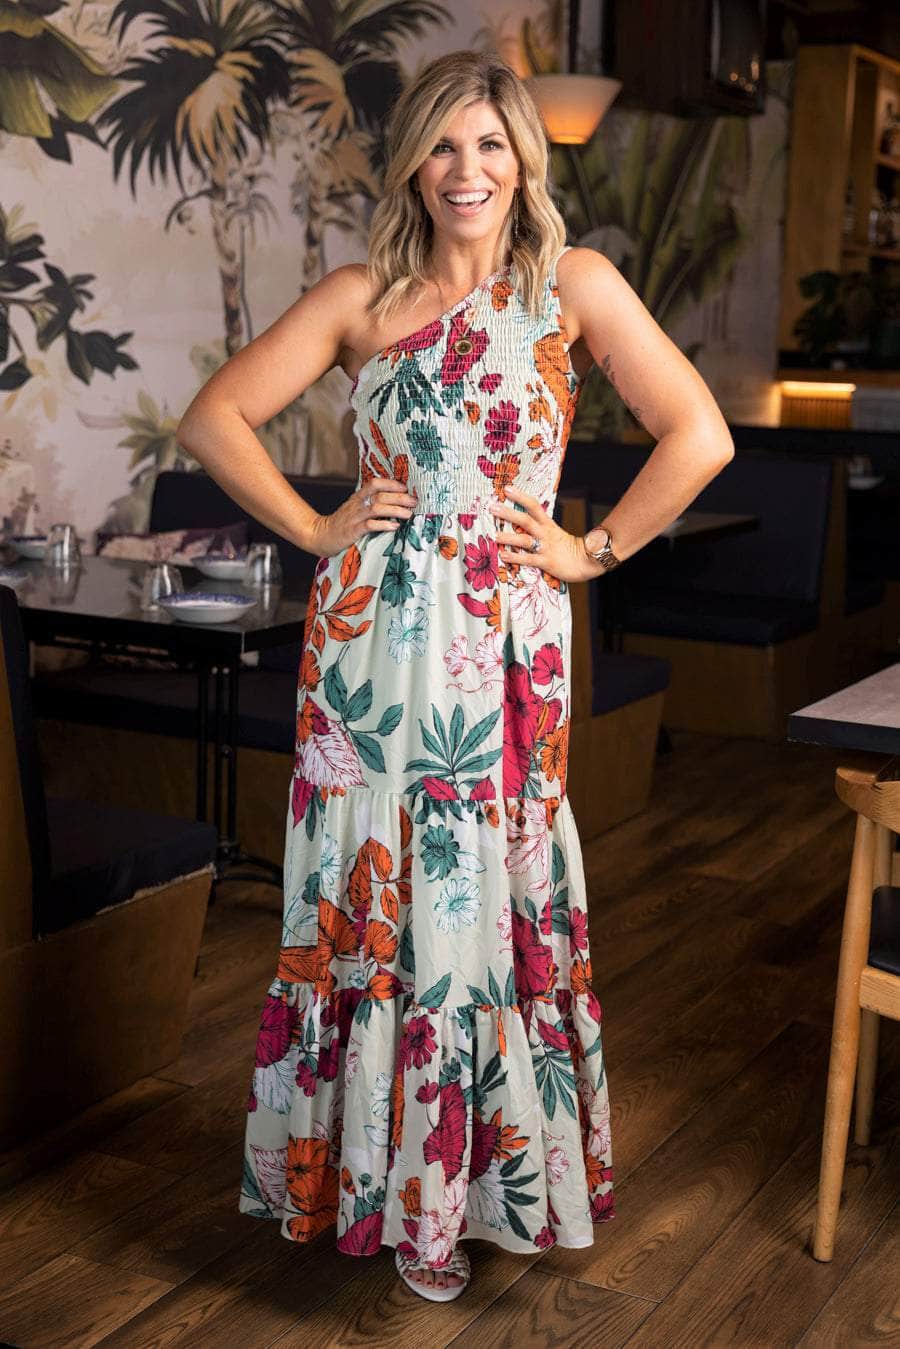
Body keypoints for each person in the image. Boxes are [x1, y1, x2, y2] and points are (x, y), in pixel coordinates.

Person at [176, 49, 733, 1303]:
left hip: (504, 648)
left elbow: (699, 432)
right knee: (374, 894)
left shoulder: (573, 285)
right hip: (368, 653)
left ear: (523, 160)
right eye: (441, 145)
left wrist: (592, 549)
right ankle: (377, 1193)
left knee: (489, 891)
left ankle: (472, 1195)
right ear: (413, 167)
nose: (466, 170)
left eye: (489, 144)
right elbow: (214, 417)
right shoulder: (360, 297)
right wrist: (317, 527)